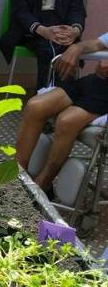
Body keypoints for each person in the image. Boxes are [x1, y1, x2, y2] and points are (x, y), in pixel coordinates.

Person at [15, 33, 108, 193]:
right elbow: (96, 44)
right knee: (35, 106)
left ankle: (42, 185)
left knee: (67, 121)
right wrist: (77, 47)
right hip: (96, 82)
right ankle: (17, 175)